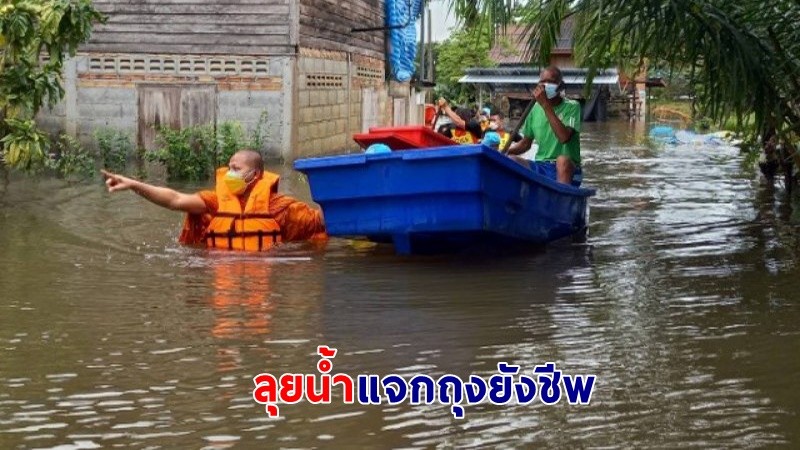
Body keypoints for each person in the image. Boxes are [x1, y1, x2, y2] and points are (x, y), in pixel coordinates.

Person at [101, 149, 327, 251]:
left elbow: (321, 222)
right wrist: (133, 184)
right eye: (229, 168)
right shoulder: (216, 202)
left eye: (236, 169)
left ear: (255, 175)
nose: (230, 174)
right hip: (223, 282)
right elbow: (175, 200)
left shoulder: (280, 208)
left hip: (262, 285)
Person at [507, 66, 583, 186]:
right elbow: (526, 144)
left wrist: (545, 105)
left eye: (551, 82)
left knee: (562, 160)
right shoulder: (534, 109)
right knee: (511, 160)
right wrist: (505, 152)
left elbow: (564, 137)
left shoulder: (572, 106)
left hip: (568, 169)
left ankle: (561, 199)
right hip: (541, 166)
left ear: (560, 86)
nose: (546, 85)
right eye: (543, 82)